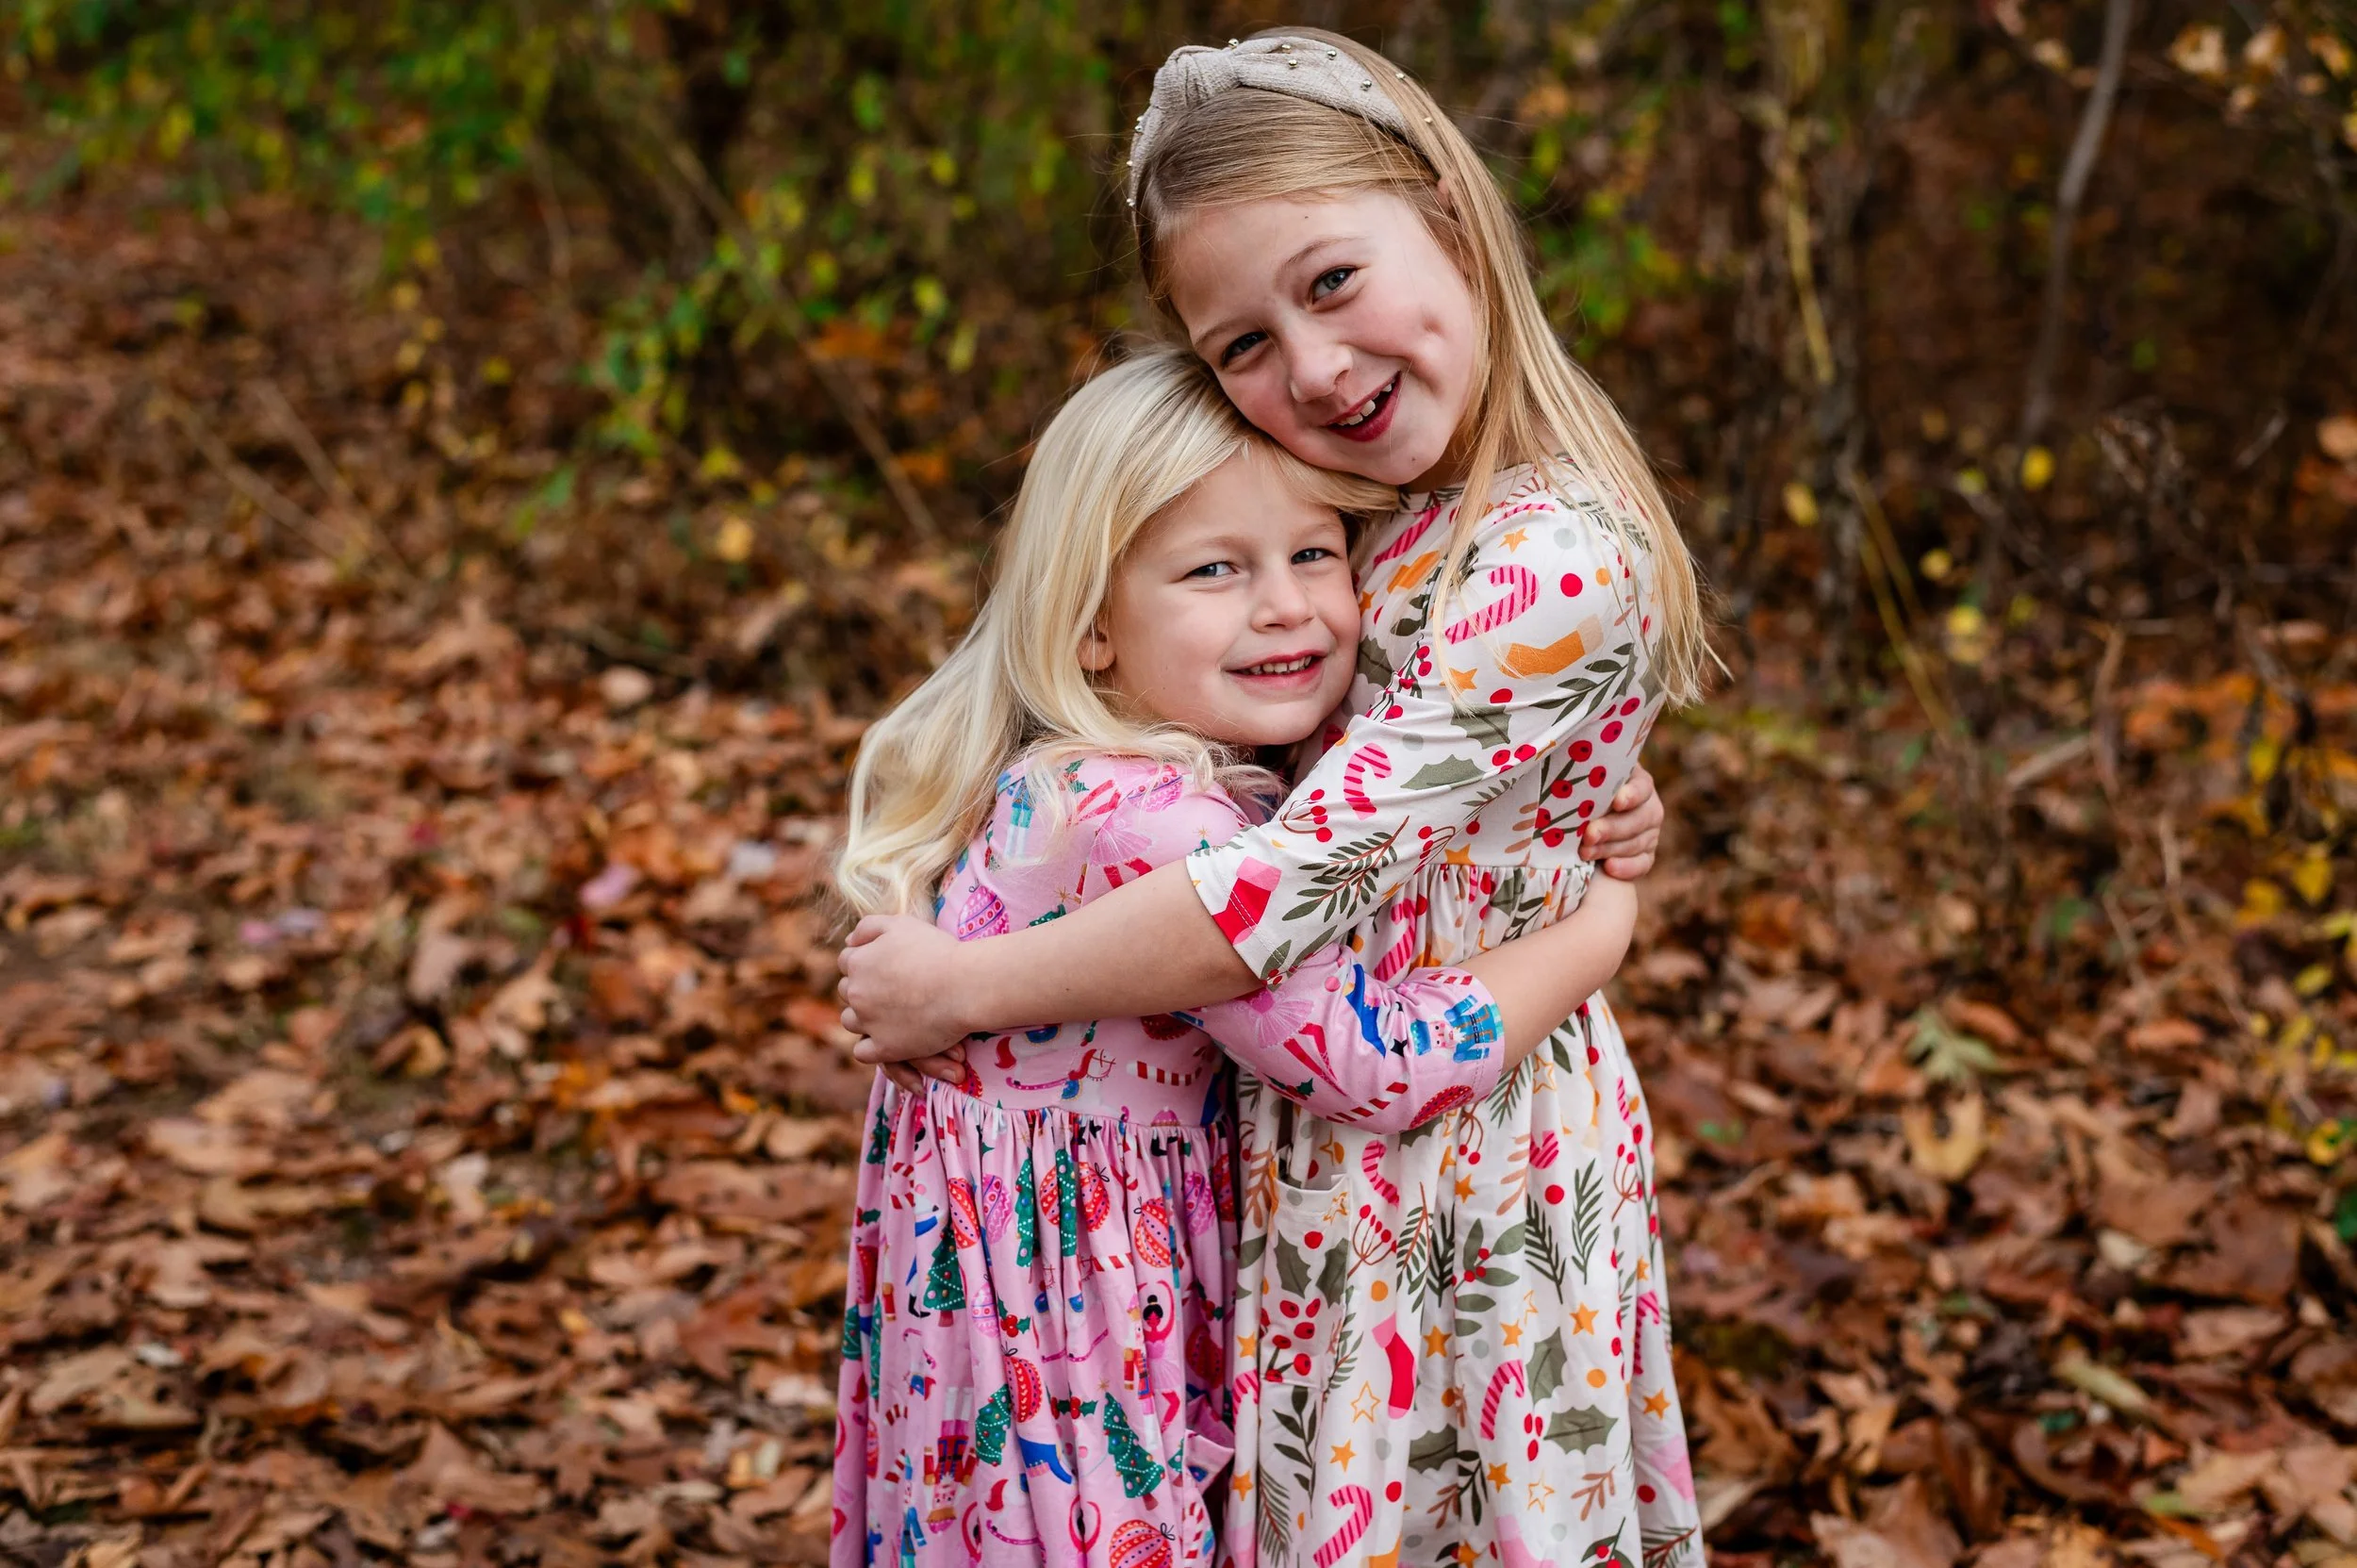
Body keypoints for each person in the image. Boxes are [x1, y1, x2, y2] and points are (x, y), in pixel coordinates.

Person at [836, 30, 1709, 1568]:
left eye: (1330, 283)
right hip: (1314, 1136)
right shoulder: (1386, 504)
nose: (1311, 367)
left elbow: (1272, 895)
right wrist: (1587, 812)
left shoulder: (1548, 555)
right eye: (1241, 344)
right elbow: (1390, 766)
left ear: (1449, 209)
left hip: (1463, 1160)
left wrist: (963, 987)